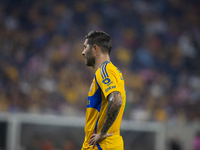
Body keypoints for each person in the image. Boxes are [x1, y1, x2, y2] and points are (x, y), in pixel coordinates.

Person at [81, 30, 126, 150]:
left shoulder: (103, 71)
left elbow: (116, 101)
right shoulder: (114, 72)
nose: (83, 52)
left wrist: (102, 133)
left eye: (85, 47)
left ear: (95, 48)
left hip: (102, 145)